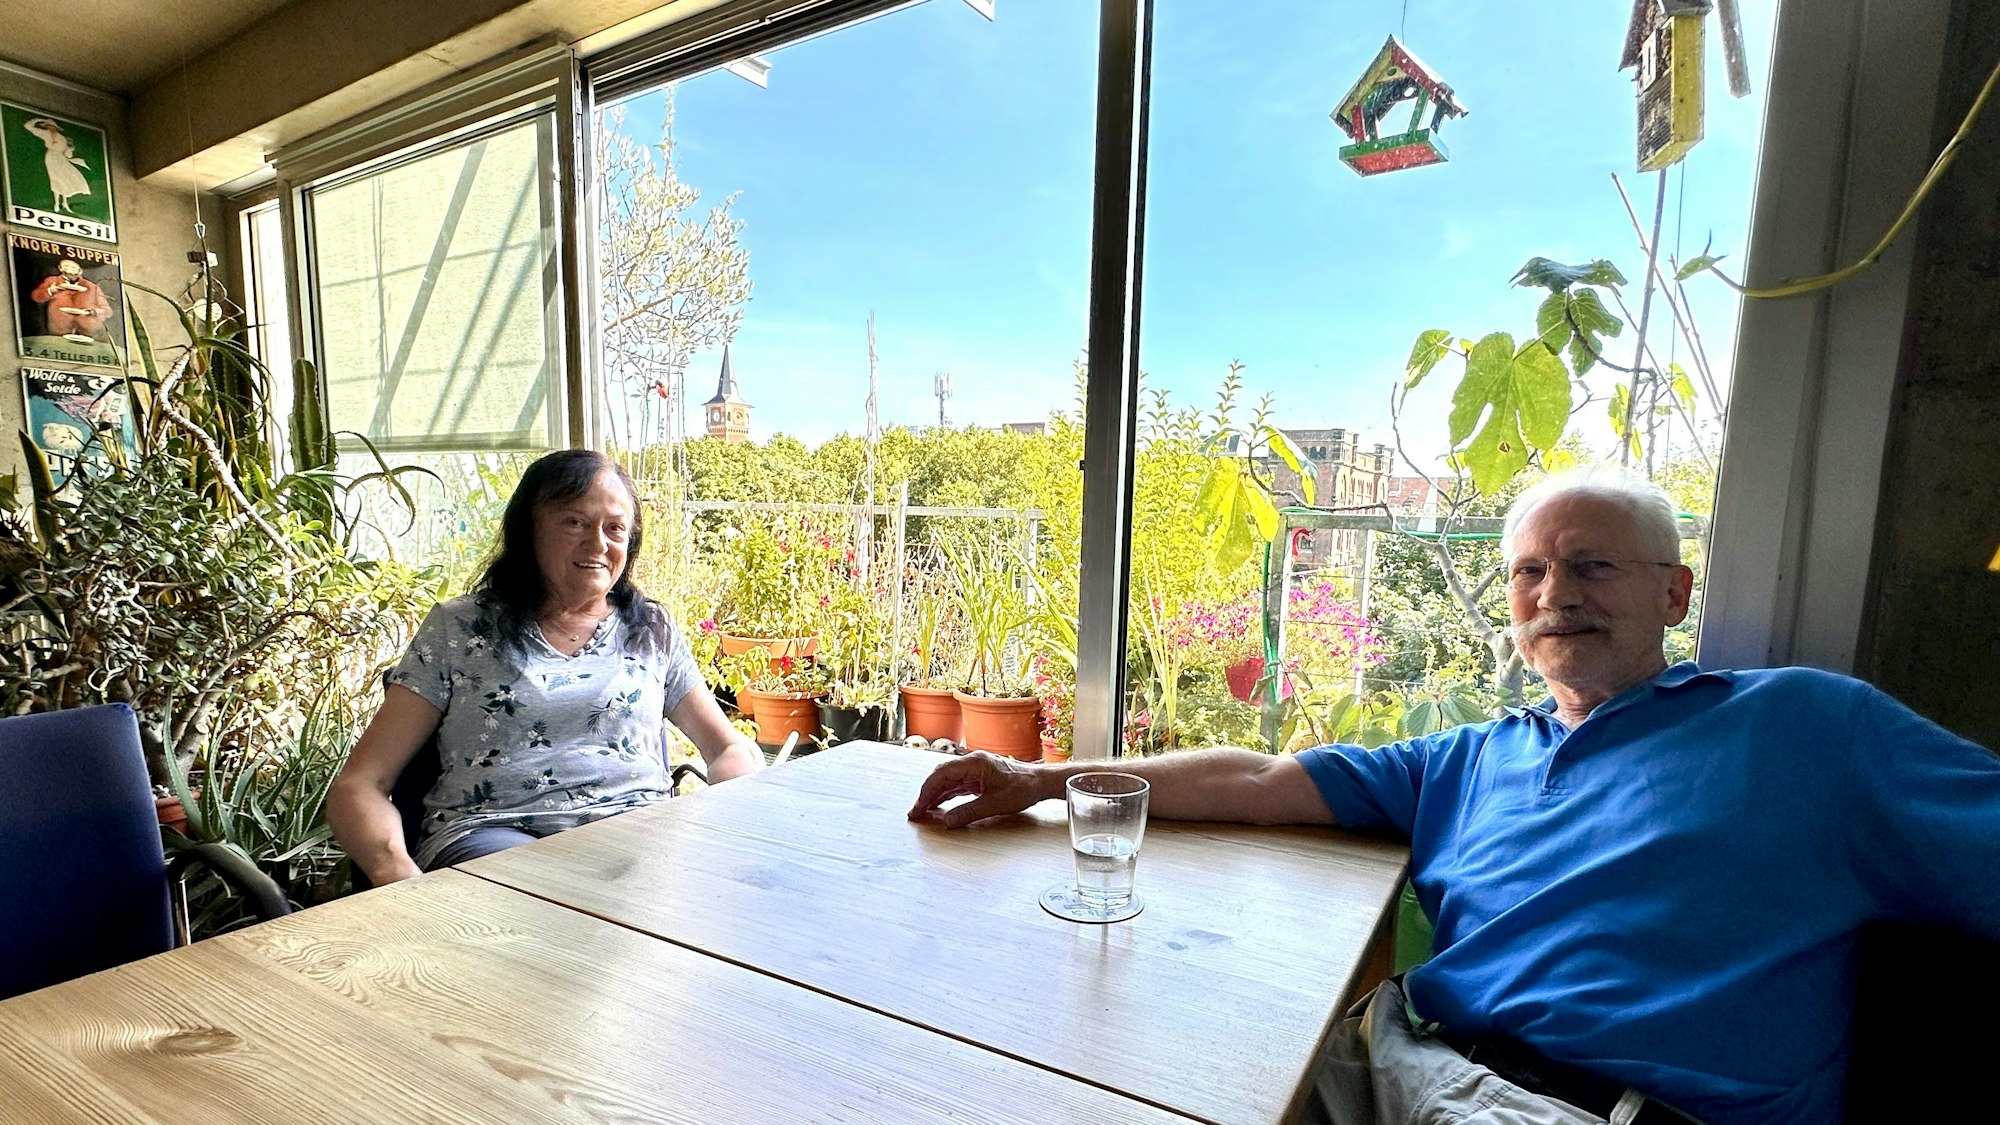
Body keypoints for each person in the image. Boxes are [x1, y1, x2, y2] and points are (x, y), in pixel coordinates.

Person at [907, 466, 2000, 1125]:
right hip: (1385, 1062)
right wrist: (1038, 777)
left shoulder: (1804, 728)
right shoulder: (1470, 757)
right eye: (1528, 572)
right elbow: (1256, 777)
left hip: (1589, 1107)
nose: (1553, 595)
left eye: (1592, 568)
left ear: (1672, 591)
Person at [330, 450, 761, 886]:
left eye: (615, 529)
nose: (597, 543)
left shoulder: (649, 627)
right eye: (574, 522)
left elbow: (728, 749)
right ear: (529, 529)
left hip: (638, 841)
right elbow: (360, 785)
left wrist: (726, 814)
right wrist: (399, 877)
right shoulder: (457, 628)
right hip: (497, 841)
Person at [29, 258, 112, 342]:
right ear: (60, 268)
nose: (70, 270)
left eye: (73, 267)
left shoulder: (92, 287)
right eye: (66, 266)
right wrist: (50, 291)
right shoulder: (52, 281)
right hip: (59, 330)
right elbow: (36, 297)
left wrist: (93, 312)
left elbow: (107, 311)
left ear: (80, 270)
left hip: (88, 333)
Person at [22, 117, 91, 215]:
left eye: (51, 126)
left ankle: (65, 202)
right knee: (55, 179)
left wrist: (69, 152)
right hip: (52, 158)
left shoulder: (62, 138)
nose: (50, 128)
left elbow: (66, 151)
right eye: (48, 126)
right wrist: (37, 119)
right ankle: (56, 203)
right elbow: (28, 126)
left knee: (65, 178)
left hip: (61, 158)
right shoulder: (45, 134)